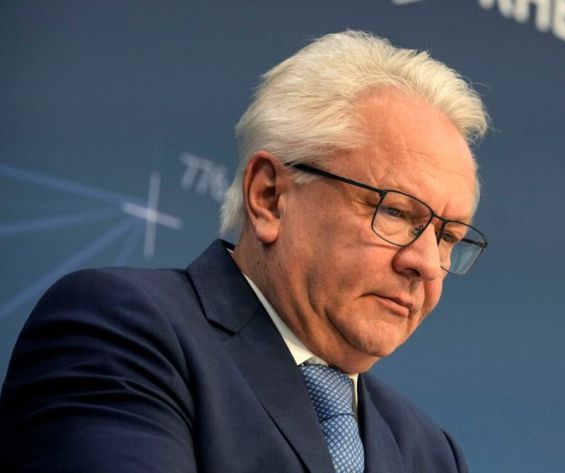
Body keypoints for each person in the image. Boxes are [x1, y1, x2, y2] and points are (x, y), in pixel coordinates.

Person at [0, 30, 489, 472]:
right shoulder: (123, 333)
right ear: (269, 197)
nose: (426, 264)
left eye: (447, 237)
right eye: (396, 212)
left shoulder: (431, 454)